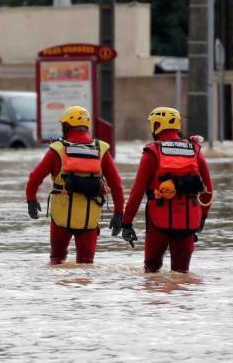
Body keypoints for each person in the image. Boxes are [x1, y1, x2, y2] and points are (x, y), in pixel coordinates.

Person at [26, 106, 125, 264]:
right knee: (86, 265)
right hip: (89, 221)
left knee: (57, 261)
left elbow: (34, 178)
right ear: (87, 126)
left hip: (60, 219)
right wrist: (119, 214)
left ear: (66, 126)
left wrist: (31, 199)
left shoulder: (57, 150)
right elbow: (117, 185)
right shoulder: (102, 149)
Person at [120, 107, 213, 273]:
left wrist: (127, 223)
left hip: (158, 222)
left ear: (156, 125)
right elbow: (208, 190)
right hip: (189, 222)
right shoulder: (195, 149)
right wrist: (202, 218)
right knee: (182, 275)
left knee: (151, 273)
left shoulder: (152, 152)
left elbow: (137, 192)